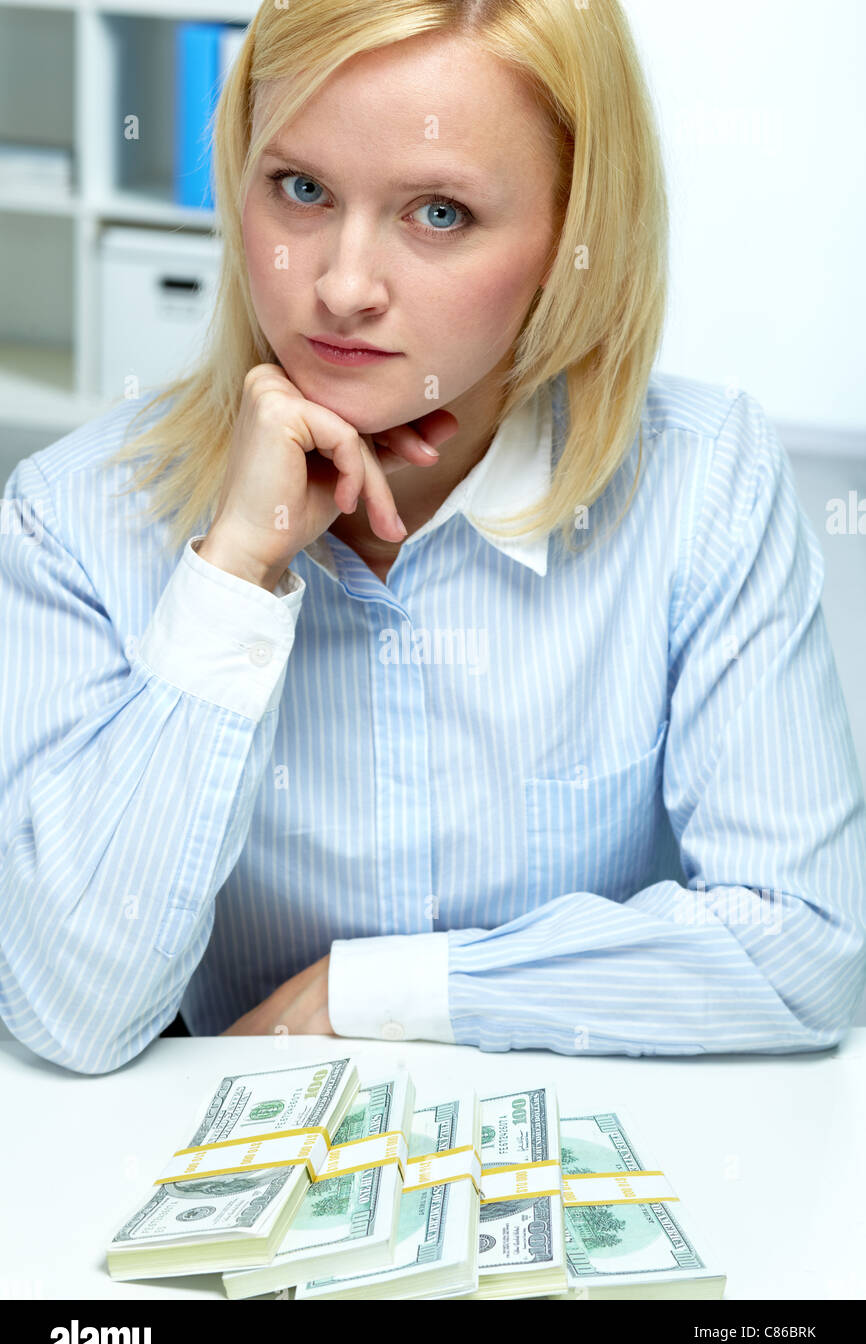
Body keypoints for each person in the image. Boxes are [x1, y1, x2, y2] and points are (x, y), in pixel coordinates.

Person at [1, 0, 864, 1075]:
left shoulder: (701, 482)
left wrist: (368, 993)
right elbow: (70, 1012)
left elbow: (800, 949)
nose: (342, 287)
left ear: (571, 237)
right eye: (300, 188)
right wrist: (232, 573)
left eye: (439, 214)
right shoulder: (74, 516)